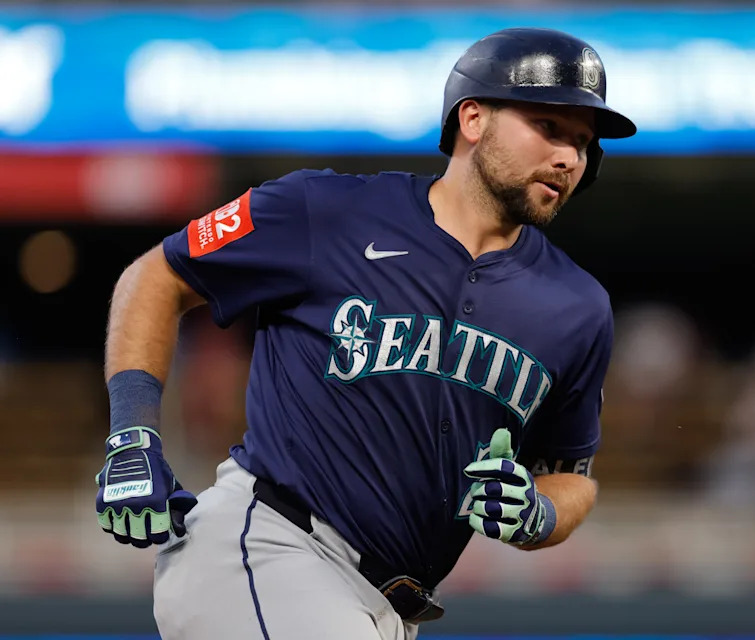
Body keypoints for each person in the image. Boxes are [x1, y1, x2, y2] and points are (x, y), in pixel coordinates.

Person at [95, 27, 636, 639]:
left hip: (386, 611)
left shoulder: (577, 306)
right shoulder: (325, 211)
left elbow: (572, 476)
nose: (569, 157)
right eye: (550, 127)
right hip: (270, 545)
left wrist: (538, 511)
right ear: (474, 118)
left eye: (583, 143)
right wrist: (132, 434)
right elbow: (158, 276)